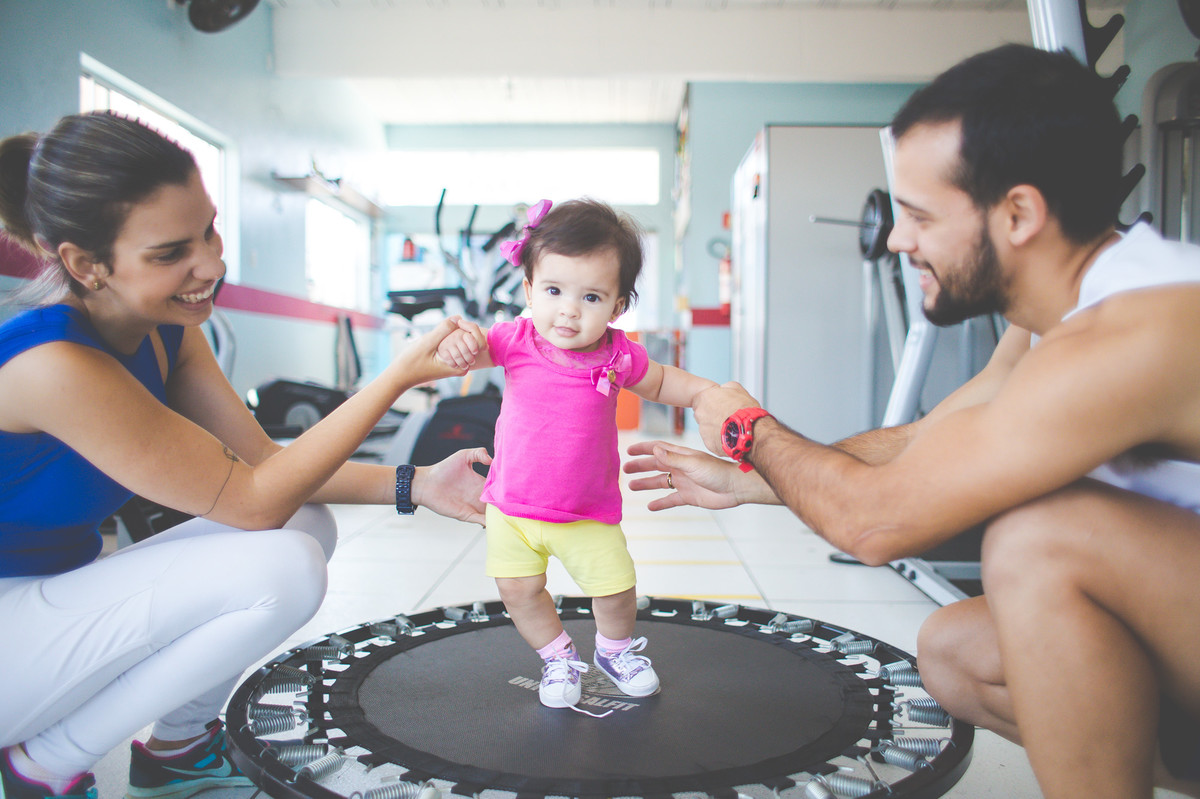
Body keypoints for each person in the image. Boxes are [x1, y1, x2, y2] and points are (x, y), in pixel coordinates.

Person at [624, 44, 1200, 799]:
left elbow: (875, 525)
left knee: (1041, 539)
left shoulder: (1133, 330)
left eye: (922, 216)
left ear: (1019, 213)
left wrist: (751, 429)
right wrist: (747, 476)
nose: (898, 240)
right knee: (957, 651)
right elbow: (932, 444)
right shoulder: (1062, 314)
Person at [0, 111, 491, 799]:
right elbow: (256, 496)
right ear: (87, 264)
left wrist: (418, 482)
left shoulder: (167, 330)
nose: (212, 264)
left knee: (304, 524)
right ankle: (42, 765)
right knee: (283, 560)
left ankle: (178, 751)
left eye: (209, 228)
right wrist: (397, 376)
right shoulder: (53, 364)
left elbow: (266, 465)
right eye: (171, 252)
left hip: (45, 605)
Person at [437, 198, 718, 710]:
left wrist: (705, 393)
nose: (568, 309)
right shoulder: (514, 340)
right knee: (518, 590)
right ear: (528, 290)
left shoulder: (616, 353)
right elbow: (465, 355)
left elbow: (661, 379)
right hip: (512, 508)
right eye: (553, 290)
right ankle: (558, 657)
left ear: (616, 306)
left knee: (615, 590)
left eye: (590, 296)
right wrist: (458, 345)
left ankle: (614, 651)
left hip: (587, 511)